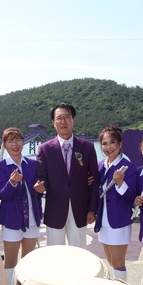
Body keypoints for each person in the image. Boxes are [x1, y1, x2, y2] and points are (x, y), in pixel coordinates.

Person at [34, 102, 98, 247]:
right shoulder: (45, 149)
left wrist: (92, 209)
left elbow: (94, 180)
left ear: (73, 119)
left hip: (80, 209)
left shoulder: (87, 147)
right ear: (53, 122)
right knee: (55, 255)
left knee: (80, 253)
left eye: (67, 117)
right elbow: (40, 176)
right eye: (59, 118)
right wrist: (39, 186)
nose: (63, 121)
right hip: (54, 209)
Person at [0, 127, 43, 285]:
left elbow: (40, 189)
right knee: (10, 262)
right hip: (12, 219)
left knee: (29, 261)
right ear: (5, 145)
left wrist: (42, 189)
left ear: (23, 142)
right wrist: (12, 182)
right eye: (10, 141)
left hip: (32, 218)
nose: (15, 144)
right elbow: (3, 195)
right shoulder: (1, 167)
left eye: (18, 140)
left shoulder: (33, 164)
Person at [94, 125, 137, 282]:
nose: (108, 147)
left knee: (118, 263)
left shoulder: (129, 167)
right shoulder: (100, 166)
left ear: (120, 144)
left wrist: (120, 183)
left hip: (119, 219)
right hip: (103, 220)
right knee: (110, 261)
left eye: (112, 142)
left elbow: (131, 197)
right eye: (104, 144)